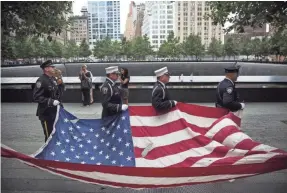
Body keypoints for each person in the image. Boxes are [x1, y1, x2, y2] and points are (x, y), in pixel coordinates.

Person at [33, 60, 60, 142]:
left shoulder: (52, 79)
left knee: (55, 134)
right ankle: (47, 154)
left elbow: (57, 93)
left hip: (54, 112)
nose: (54, 68)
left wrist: (60, 81)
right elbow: (36, 97)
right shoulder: (41, 80)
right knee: (49, 136)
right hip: (46, 113)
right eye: (52, 67)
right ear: (46, 69)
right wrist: (51, 101)